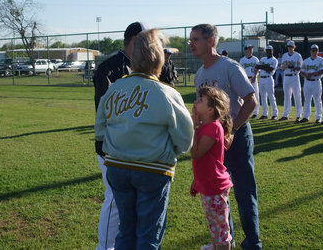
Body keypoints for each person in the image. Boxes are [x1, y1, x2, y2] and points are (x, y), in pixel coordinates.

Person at [95, 29, 194, 249]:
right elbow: (186, 138)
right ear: (159, 57)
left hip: (118, 168)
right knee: (148, 235)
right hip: (153, 169)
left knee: (125, 232)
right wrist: (172, 150)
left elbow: (100, 128)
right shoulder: (166, 93)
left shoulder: (115, 89)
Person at [190, 23, 262, 250]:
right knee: (219, 192)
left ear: (211, 41)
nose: (191, 43)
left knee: (244, 192)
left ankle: (253, 243)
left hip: (236, 138)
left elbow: (251, 100)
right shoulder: (200, 74)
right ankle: (224, 242)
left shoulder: (230, 67)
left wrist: (232, 130)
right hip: (213, 142)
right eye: (190, 39)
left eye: (196, 39)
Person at [93, 21, 147, 250]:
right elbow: (104, 113)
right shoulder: (109, 68)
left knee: (133, 203)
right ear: (135, 40)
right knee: (115, 200)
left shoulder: (144, 67)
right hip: (112, 146)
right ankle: (104, 247)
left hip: (136, 146)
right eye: (146, 41)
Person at [190, 86, 234, 250]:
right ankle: (216, 246)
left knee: (221, 232)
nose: (195, 101)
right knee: (215, 227)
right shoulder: (205, 126)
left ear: (210, 109)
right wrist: (197, 182)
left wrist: (192, 128)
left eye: (200, 100)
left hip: (215, 187)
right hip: (208, 186)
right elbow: (205, 161)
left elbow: (195, 153)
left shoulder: (214, 127)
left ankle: (220, 247)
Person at [299, 44, 323, 123]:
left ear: (317, 51)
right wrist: (305, 75)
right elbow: (302, 71)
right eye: (313, 50)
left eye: (316, 50)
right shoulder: (306, 60)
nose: (314, 52)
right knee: (307, 100)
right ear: (310, 51)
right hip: (307, 82)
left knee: (317, 100)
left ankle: (318, 117)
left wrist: (313, 74)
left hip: (316, 81)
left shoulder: (321, 60)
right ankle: (306, 117)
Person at [279, 40, 303, 122]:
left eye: (291, 47)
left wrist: (293, 67)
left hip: (294, 76)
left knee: (297, 96)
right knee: (287, 96)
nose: (290, 48)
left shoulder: (298, 55)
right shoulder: (285, 55)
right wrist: (286, 66)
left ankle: (299, 115)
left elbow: (300, 68)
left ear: (294, 47)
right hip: (286, 77)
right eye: (289, 47)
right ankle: (285, 114)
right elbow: (281, 67)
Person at [255, 45, 279, 120]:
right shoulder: (263, 58)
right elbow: (257, 66)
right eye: (267, 50)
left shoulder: (274, 60)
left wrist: (263, 66)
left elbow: (270, 69)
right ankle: (264, 114)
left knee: (271, 97)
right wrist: (265, 66)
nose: (268, 52)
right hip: (261, 79)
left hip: (269, 79)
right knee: (263, 97)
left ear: (272, 51)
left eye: (270, 50)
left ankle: (275, 114)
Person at [239, 44, 260, 119]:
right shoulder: (242, 60)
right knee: (244, 96)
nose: (251, 50)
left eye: (251, 48)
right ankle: (244, 111)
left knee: (256, 95)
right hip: (245, 79)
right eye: (249, 48)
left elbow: (258, 69)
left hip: (253, 78)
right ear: (246, 50)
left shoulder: (255, 59)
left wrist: (255, 76)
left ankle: (255, 112)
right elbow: (240, 70)